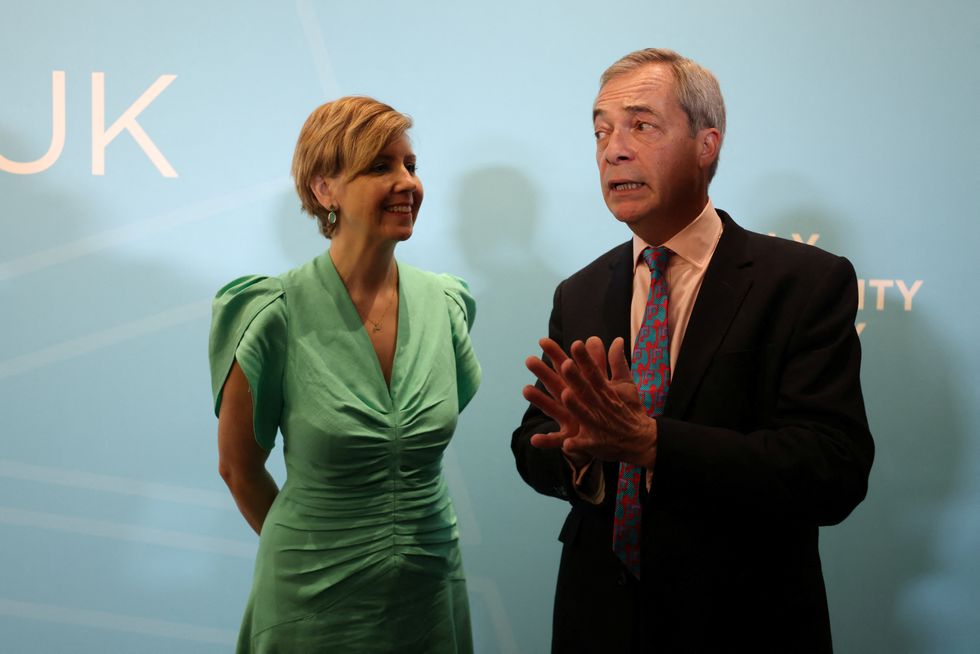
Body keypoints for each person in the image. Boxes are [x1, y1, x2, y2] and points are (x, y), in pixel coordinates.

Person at [512, 49, 874, 653]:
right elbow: (534, 444)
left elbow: (830, 468)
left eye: (640, 125)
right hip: (598, 619)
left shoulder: (802, 281)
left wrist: (651, 443)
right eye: (600, 131)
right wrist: (577, 450)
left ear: (707, 144)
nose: (612, 149)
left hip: (744, 619)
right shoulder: (578, 292)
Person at [209, 96, 481, 653]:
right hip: (312, 603)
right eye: (381, 166)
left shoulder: (447, 304)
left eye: (411, 165)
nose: (407, 182)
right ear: (323, 189)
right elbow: (239, 470)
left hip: (428, 596)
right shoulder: (270, 313)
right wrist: (319, 546)